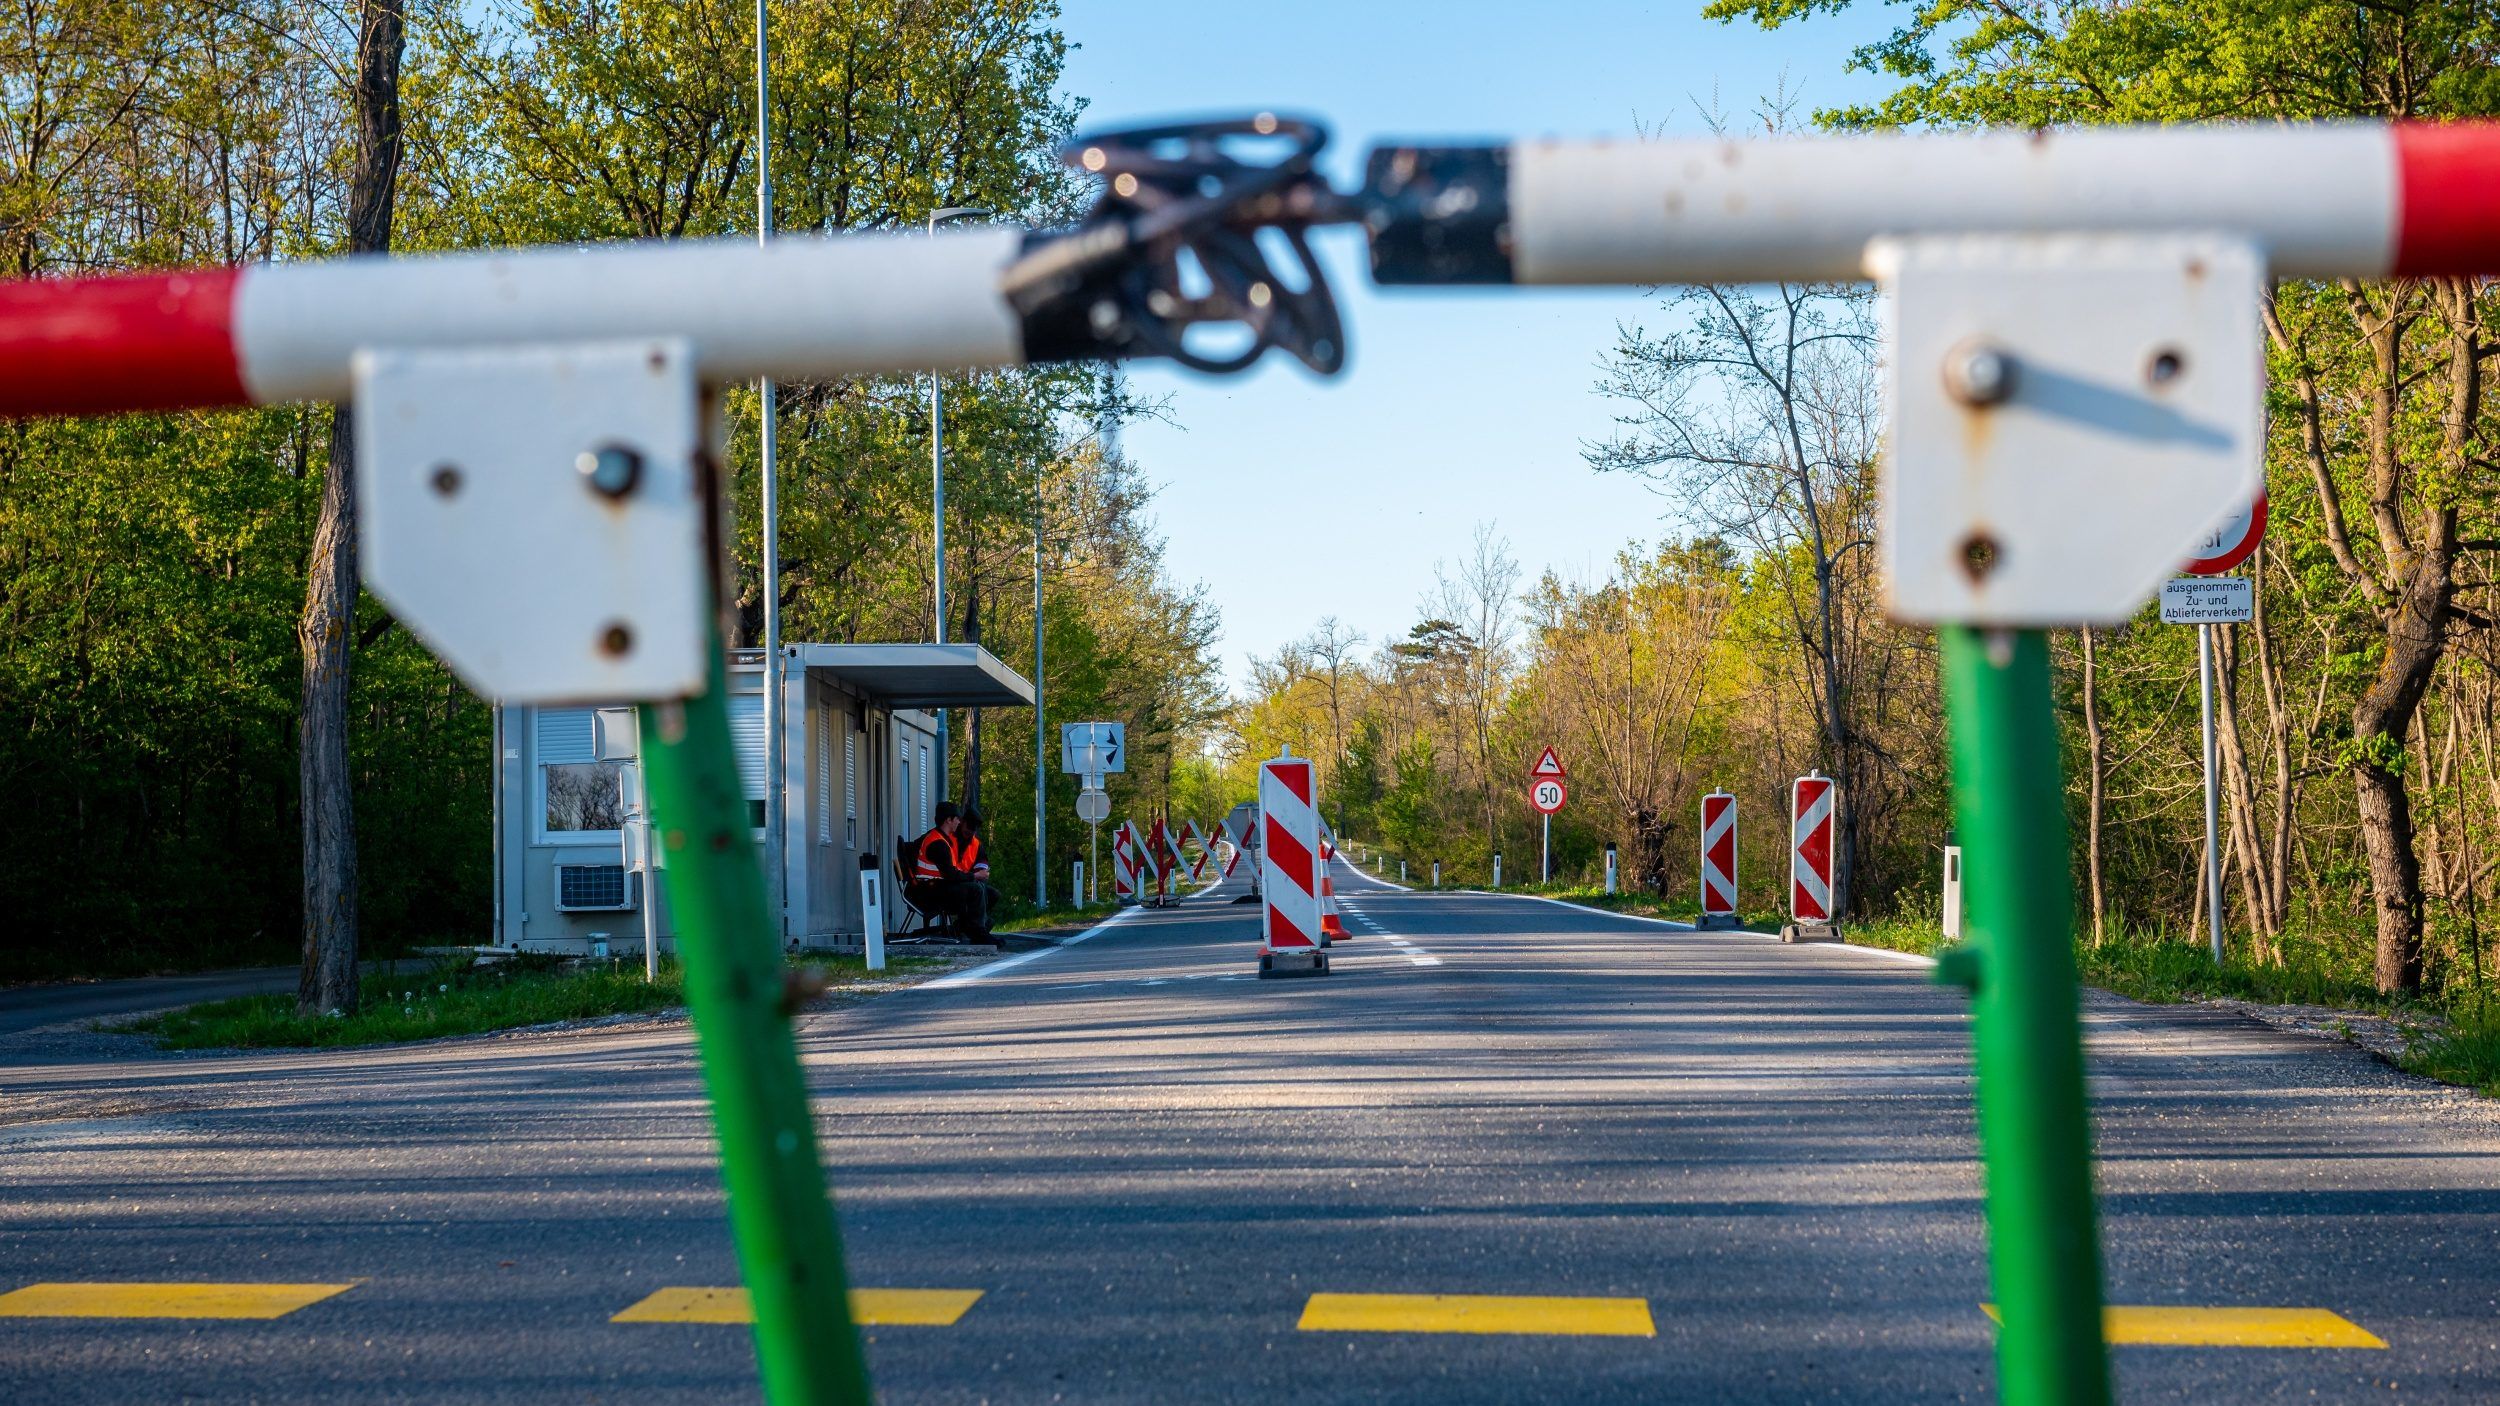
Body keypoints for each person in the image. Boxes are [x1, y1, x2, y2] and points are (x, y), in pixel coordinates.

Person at [906, 801, 991, 940]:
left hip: (935, 886)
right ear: (948, 820)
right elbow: (950, 875)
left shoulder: (941, 838)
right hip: (930, 891)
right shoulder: (939, 843)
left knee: (983, 890)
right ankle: (978, 934)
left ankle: (969, 929)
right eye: (957, 818)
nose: (958, 821)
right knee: (975, 889)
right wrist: (974, 876)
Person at [957, 808, 1005, 937]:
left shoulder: (976, 845)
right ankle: (979, 929)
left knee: (993, 893)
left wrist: (979, 874)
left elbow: (982, 865)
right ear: (962, 822)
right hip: (955, 881)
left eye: (973, 829)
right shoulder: (951, 838)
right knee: (978, 889)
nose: (969, 831)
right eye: (968, 827)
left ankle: (969, 925)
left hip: (969, 879)